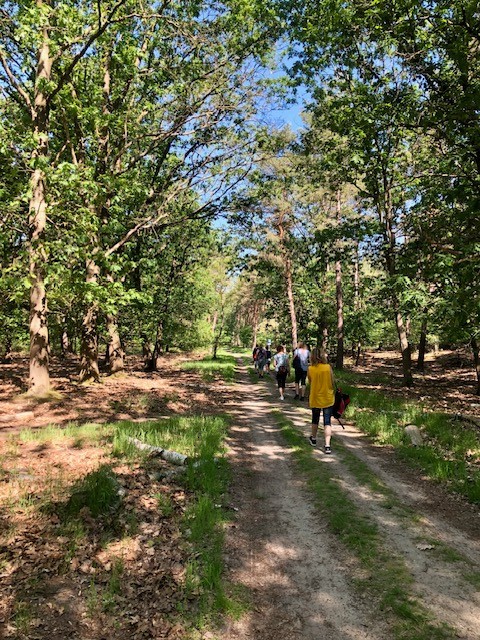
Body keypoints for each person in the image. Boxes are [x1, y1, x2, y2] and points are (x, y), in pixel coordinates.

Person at [307, 347, 335, 454]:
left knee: (315, 419)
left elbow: (310, 381)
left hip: (315, 397)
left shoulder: (311, 369)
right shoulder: (328, 367)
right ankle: (327, 445)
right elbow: (332, 382)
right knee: (327, 422)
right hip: (328, 397)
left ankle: (313, 439)